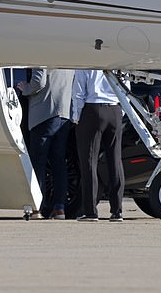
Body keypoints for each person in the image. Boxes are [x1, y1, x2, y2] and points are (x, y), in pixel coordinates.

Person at [17, 69, 74, 219]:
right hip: (64, 113)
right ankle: (60, 208)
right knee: (59, 163)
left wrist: (25, 88)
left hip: (43, 114)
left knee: (38, 163)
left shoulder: (41, 51)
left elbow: (38, 82)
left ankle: (37, 208)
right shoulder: (69, 59)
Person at [71, 69, 125, 222]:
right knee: (115, 160)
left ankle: (90, 211)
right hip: (115, 109)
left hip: (92, 108)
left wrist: (76, 116)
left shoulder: (87, 62)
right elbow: (125, 88)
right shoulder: (118, 63)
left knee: (89, 161)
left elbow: (78, 91)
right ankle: (117, 211)